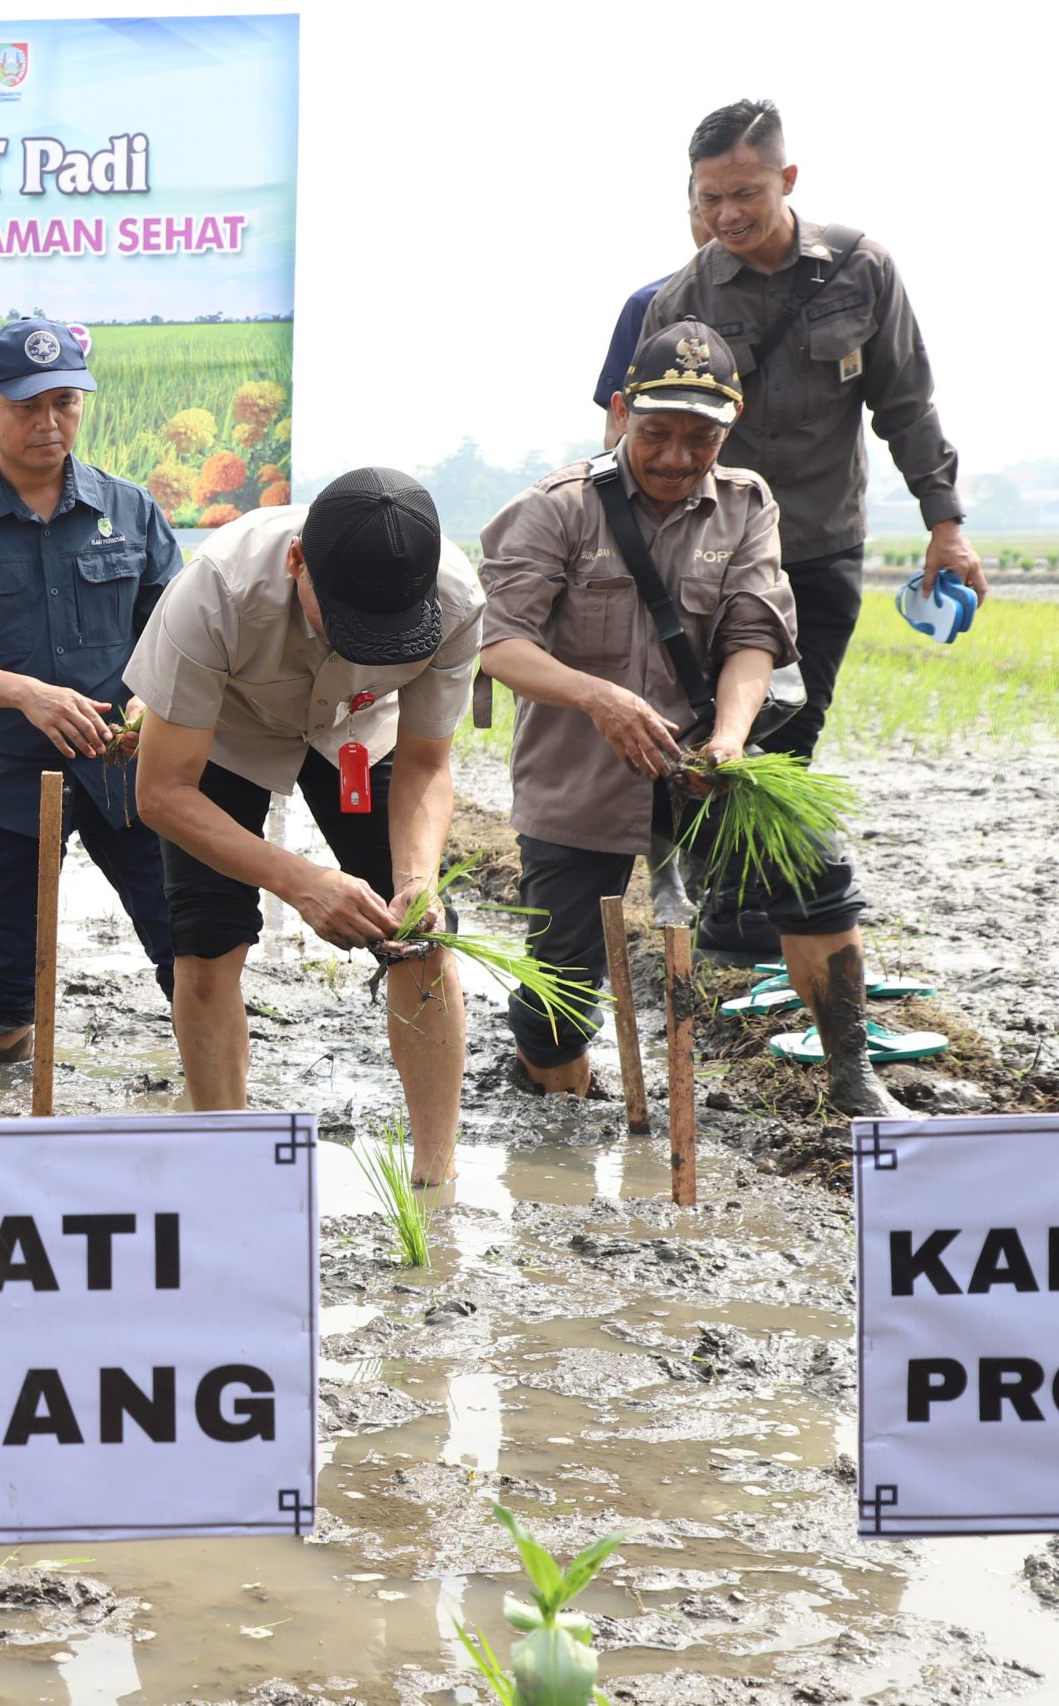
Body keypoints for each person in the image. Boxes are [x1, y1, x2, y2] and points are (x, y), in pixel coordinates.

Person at [477, 319, 900, 1116]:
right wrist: (597, 697)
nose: (676, 457)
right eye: (656, 433)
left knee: (820, 879)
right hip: (579, 776)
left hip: (706, 766)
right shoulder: (558, 510)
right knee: (558, 994)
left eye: (699, 438)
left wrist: (730, 741)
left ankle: (855, 1078)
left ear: (728, 429)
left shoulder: (746, 506)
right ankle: (558, 1110)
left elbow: (753, 637)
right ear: (620, 413)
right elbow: (498, 642)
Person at [642, 99, 983, 955]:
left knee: (794, 726)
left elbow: (907, 405)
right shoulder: (683, 298)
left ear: (786, 179)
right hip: (714, 553)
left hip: (822, 545)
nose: (728, 215)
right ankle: (733, 904)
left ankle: (743, 900)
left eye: (746, 192)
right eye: (711, 197)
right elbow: (649, 435)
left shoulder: (862, 268)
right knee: (715, 726)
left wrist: (945, 525)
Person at [128, 469, 482, 1183]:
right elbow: (163, 793)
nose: (362, 646)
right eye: (347, 623)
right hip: (226, 732)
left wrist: (415, 877)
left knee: (421, 940)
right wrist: (302, 883)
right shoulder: (217, 592)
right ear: (297, 562)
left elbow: (423, 764)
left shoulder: (455, 598)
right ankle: (226, 1162)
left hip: (361, 732)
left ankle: (435, 1176)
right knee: (205, 943)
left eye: (387, 634)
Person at [0, 317, 181, 1063]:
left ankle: (214, 1110)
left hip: (131, 771)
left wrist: (148, 703)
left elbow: (178, 633)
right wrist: (27, 694)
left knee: (191, 957)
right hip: (13, 777)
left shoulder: (131, 512)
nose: (48, 423)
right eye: (27, 405)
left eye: (65, 402)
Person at [595, 180, 716, 442]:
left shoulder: (811, 287)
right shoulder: (650, 305)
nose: (719, 220)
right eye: (703, 209)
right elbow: (617, 433)